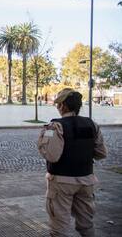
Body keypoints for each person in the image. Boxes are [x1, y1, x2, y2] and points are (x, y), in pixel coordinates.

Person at [38, 88, 107, 237]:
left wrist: (43, 139)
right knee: (86, 225)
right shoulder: (92, 125)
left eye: (58, 105)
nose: (57, 108)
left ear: (63, 106)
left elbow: (51, 155)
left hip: (62, 182)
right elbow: (101, 153)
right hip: (86, 180)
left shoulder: (55, 126)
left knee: (59, 228)